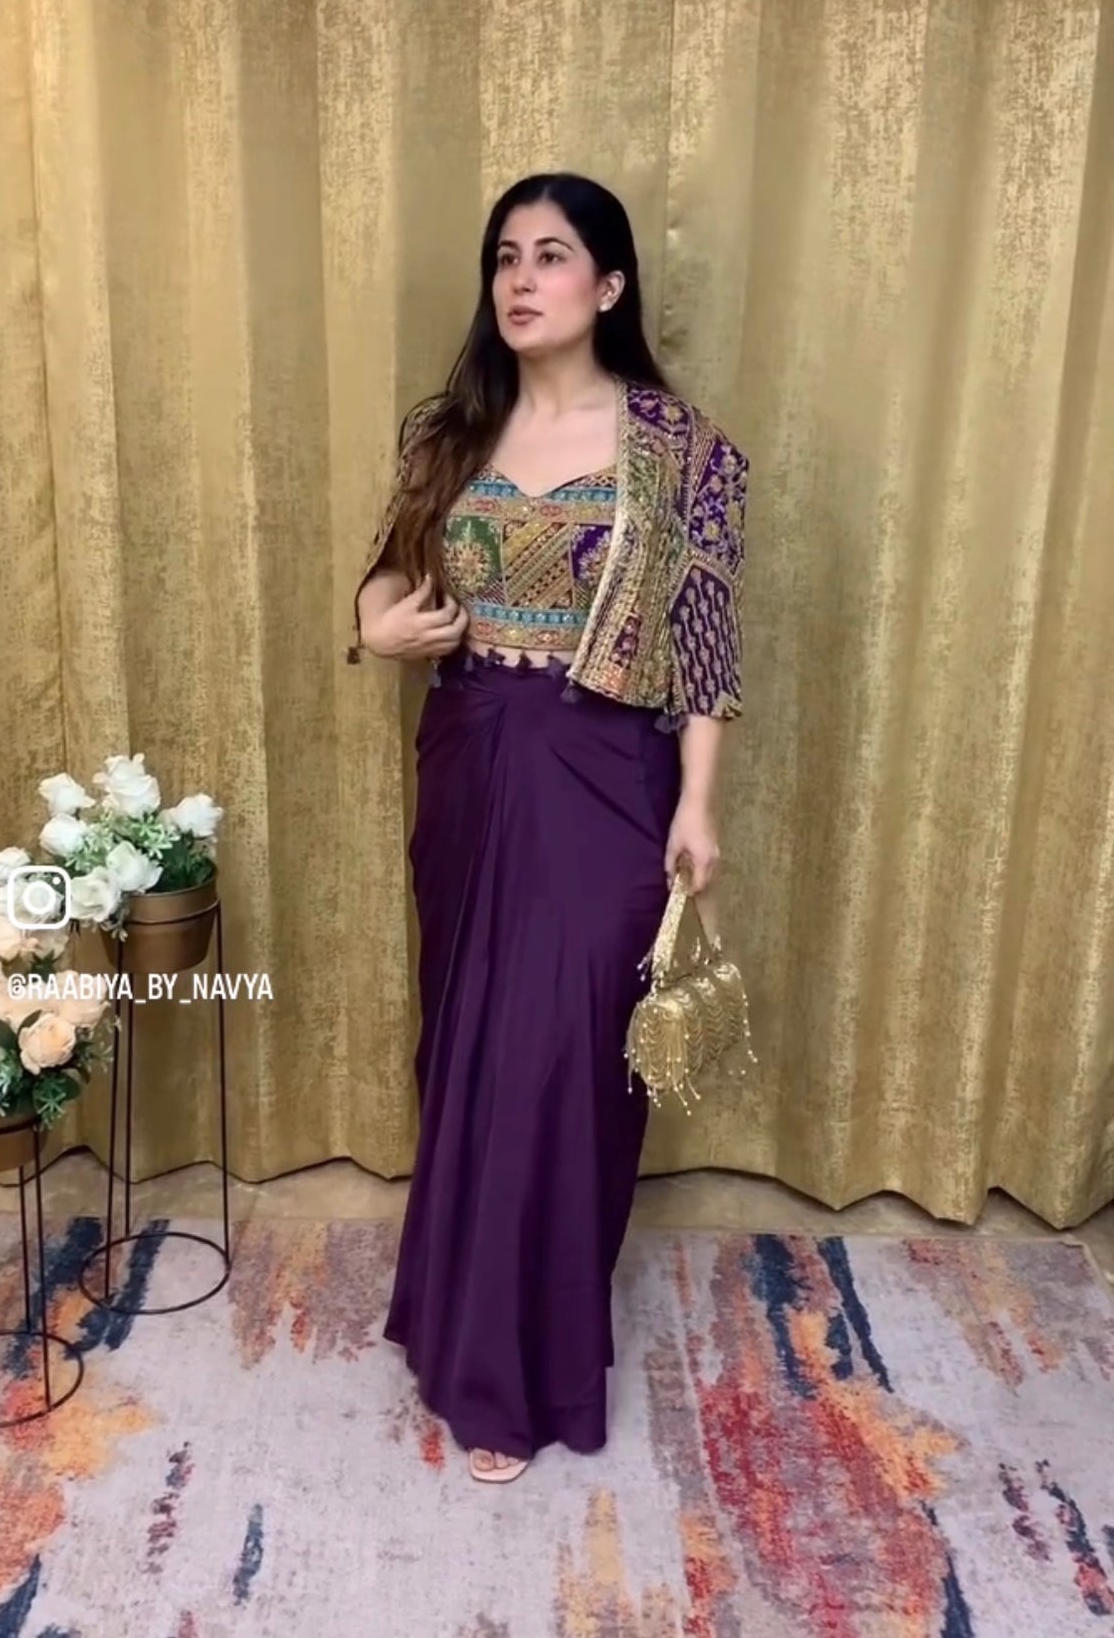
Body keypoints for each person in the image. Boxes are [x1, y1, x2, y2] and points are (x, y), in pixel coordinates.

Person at [351, 172, 746, 1485]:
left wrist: (698, 804)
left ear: (611, 285)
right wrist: (377, 628)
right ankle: (460, 1333)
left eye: (553, 255)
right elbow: (389, 575)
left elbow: (706, 649)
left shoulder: (681, 452)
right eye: (506, 257)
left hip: (606, 769)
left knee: (562, 1062)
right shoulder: (454, 432)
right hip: (471, 756)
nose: (521, 280)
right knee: (466, 1047)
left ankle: (528, 1369)